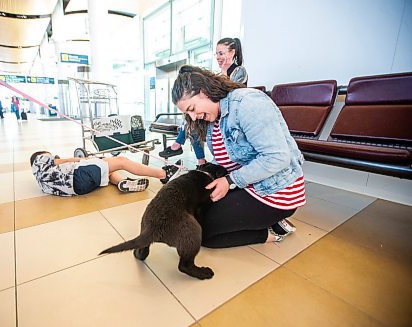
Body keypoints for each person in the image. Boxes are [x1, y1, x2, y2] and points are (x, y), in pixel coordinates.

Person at [171, 65, 306, 248]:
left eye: (192, 108)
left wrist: (230, 180)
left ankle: (271, 231)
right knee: (193, 218)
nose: (193, 117)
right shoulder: (213, 117)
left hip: (275, 191)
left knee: (201, 233)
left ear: (203, 91)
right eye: (188, 113)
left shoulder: (247, 103)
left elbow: (277, 157)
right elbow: (226, 158)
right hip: (248, 184)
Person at [159, 37, 248, 165]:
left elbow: (230, 93)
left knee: (193, 121)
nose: (218, 57)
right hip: (219, 115)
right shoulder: (219, 74)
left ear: (232, 52)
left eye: (221, 53)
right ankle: (200, 161)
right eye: (216, 53)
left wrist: (223, 73)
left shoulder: (239, 71)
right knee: (193, 122)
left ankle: (179, 146)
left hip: (229, 115)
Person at [30, 152, 182, 196]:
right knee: (121, 161)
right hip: (79, 174)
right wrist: (83, 159)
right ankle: (164, 174)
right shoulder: (39, 159)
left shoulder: (41, 182)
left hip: (79, 189)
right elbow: (63, 160)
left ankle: (121, 182)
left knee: (108, 170)